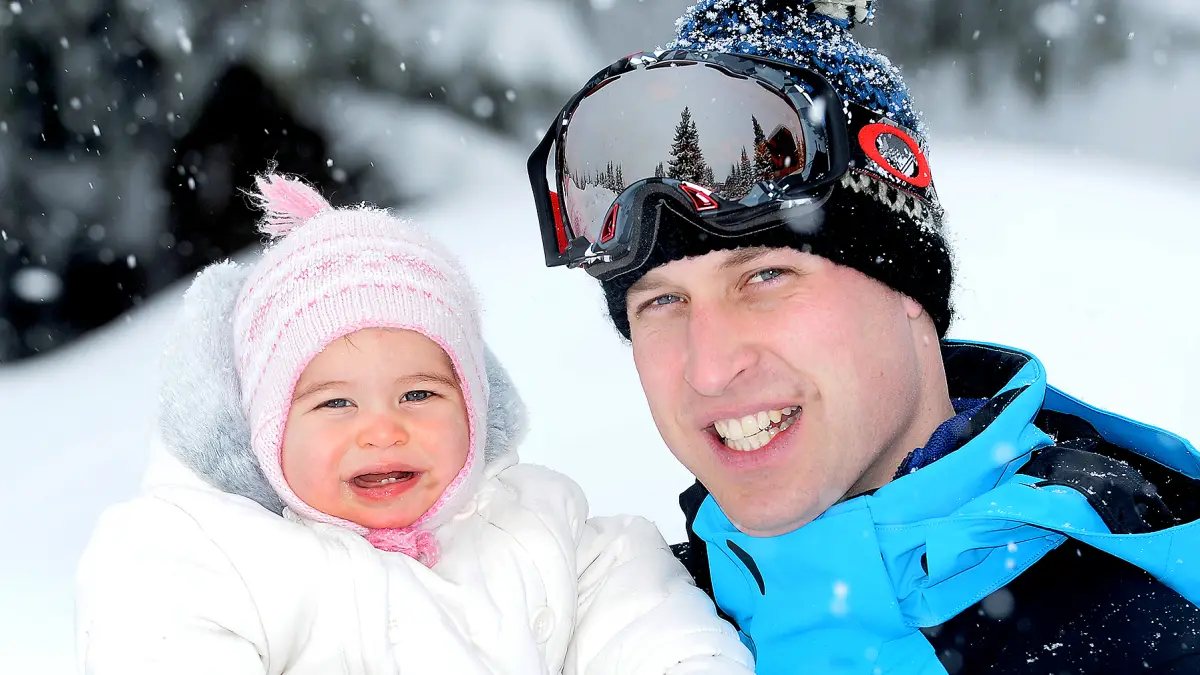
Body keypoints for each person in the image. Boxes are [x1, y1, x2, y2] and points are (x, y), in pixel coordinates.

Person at [526, 1, 1200, 673]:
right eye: (663, 301)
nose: (710, 367)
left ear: (907, 286)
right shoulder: (623, 629)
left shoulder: (1138, 644)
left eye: (765, 276)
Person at [75, 173, 755, 675]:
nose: (382, 430)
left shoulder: (546, 531)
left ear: (474, 406)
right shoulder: (200, 551)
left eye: (420, 394)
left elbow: (650, 631)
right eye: (334, 402)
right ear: (265, 426)